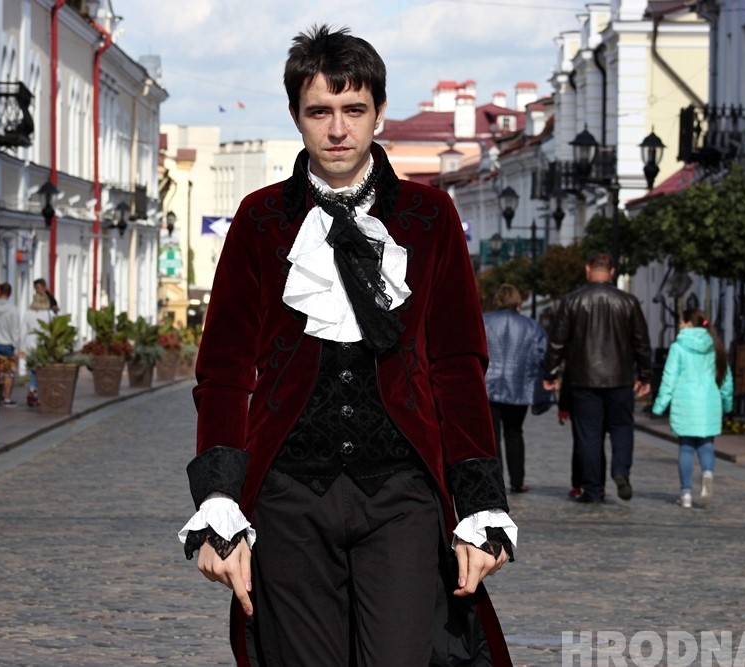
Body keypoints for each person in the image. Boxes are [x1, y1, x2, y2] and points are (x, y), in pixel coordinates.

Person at [177, 25, 515, 667]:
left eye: (354, 109)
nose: (338, 129)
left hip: (402, 493)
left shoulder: (429, 216)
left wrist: (480, 502)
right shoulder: (260, 219)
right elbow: (224, 370)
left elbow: (457, 367)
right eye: (320, 111)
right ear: (296, 116)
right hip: (288, 495)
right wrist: (219, 498)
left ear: (378, 113)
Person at [542, 252, 652, 504]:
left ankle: (592, 489)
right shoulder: (628, 302)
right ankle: (620, 470)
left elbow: (557, 342)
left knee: (589, 435)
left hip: (584, 378)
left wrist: (550, 373)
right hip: (620, 378)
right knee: (622, 427)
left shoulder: (572, 301)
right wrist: (645, 375)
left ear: (587, 269)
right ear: (612, 272)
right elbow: (641, 343)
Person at [651, 308, 734, 508]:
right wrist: (727, 404)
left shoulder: (678, 347)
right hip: (709, 401)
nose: (679, 326)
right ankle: (707, 474)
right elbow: (726, 379)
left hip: (686, 402)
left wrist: (659, 406)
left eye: (681, 322)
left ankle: (686, 493)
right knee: (706, 445)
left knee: (686, 448)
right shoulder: (715, 346)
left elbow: (669, 378)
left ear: (689, 323)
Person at [483, 283, 548, 494]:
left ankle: (495, 480)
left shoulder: (484, 322)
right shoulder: (531, 326)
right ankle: (518, 480)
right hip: (518, 387)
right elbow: (541, 355)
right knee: (514, 433)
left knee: (492, 436)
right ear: (518, 302)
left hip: (488, 386)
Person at [22, 279, 59, 408]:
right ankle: (38, 394)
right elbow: (55, 331)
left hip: (30, 345)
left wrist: (21, 347)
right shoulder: (50, 314)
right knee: (43, 371)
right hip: (44, 345)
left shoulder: (27, 314)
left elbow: (23, 331)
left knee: (34, 369)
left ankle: (32, 389)